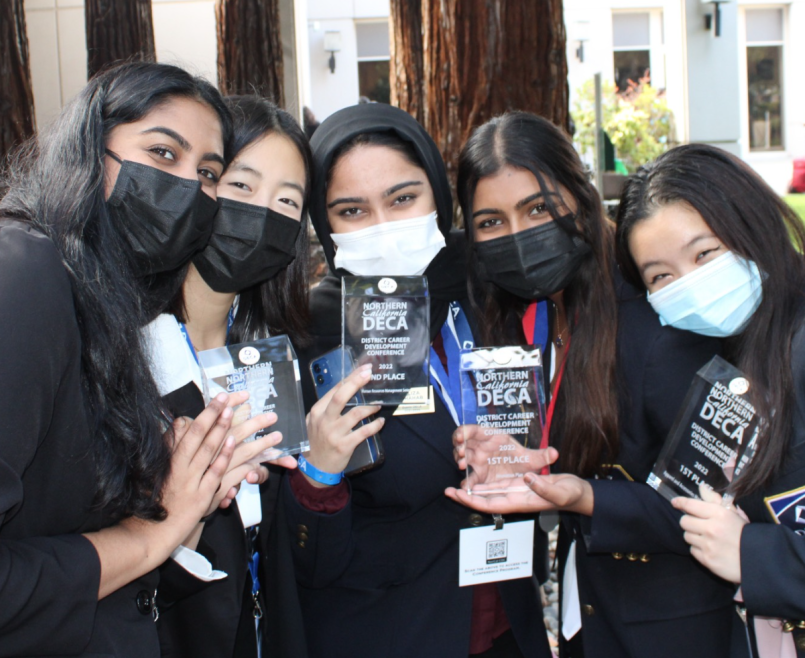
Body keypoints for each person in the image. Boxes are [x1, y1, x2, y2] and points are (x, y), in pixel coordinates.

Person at [0, 62, 259, 658]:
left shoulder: (110, 305)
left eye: (207, 172)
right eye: (161, 152)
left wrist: (185, 488)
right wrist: (152, 533)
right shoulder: (21, 271)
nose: (186, 187)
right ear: (87, 150)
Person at [445, 113, 735, 658]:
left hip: (672, 628)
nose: (518, 234)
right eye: (490, 222)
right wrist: (519, 460)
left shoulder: (657, 323)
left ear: (580, 194)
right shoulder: (527, 315)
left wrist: (586, 497)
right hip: (588, 620)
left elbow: (714, 503)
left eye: (536, 208)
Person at [280, 102, 551, 658]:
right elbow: (305, 561)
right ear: (324, 226)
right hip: (389, 633)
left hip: (510, 626)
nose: (384, 226)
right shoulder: (307, 335)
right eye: (352, 211)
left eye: (403, 199)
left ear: (438, 195)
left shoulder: (493, 293)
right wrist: (320, 474)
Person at [615, 143, 805, 654]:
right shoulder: (718, 360)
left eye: (705, 254)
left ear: (752, 222)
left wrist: (754, 556)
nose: (692, 285)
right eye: (661, 276)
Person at [146, 95, 313, 658]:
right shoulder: (123, 358)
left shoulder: (277, 354)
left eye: (287, 201)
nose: (263, 213)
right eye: (241, 186)